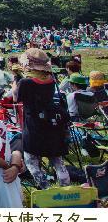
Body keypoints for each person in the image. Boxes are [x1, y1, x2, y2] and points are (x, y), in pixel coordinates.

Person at [12, 47, 70, 188]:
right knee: (57, 160)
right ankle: (66, 188)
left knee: (31, 159)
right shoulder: (51, 80)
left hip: (34, 124)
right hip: (52, 122)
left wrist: (15, 79)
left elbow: (16, 98)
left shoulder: (26, 82)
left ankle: (45, 189)